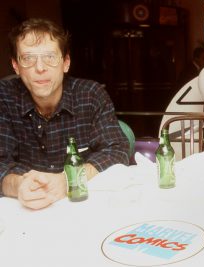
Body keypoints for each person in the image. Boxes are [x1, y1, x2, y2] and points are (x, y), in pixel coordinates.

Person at [0, 18, 130, 210]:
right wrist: (18, 185)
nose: (40, 68)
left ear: (66, 63)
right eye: (28, 58)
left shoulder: (90, 94)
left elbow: (117, 150)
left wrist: (69, 179)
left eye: (50, 57)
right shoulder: (4, 97)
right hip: (25, 210)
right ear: (16, 66)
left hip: (83, 204)